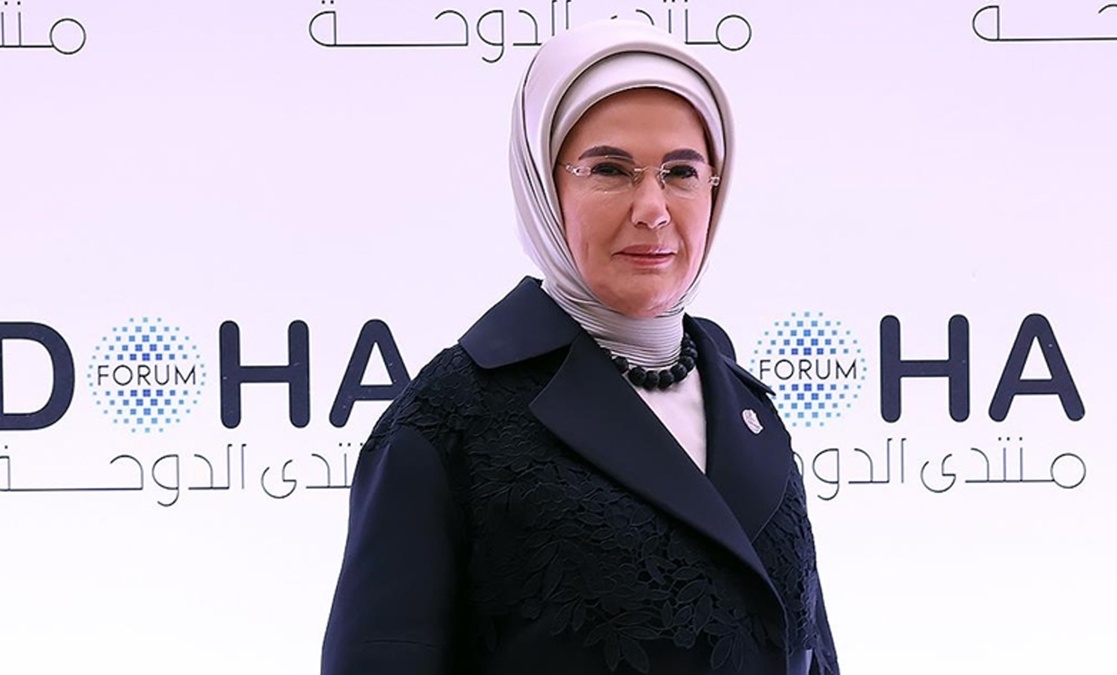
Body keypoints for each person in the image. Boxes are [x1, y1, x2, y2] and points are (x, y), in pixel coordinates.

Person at [321, 19, 838, 675]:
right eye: (610, 170)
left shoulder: (749, 406)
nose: (652, 209)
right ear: (544, 186)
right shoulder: (450, 421)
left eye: (681, 171)